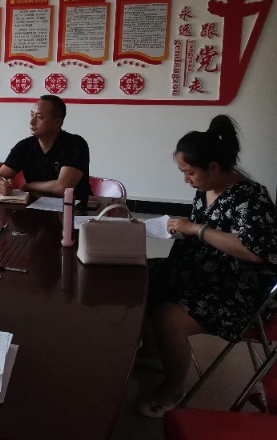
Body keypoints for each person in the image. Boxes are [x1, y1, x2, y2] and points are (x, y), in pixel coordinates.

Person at [137, 115, 277, 418]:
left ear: (213, 167)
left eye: (189, 172)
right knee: (139, 276)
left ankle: (173, 390)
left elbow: (254, 252)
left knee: (169, 318)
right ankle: (153, 352)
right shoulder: (206, 188)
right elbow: (204, 228)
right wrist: (180, 229)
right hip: (201, 271)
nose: (186, 179)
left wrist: (196, 229)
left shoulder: (251, 197)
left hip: (239, 287)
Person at [0, 95, 90, 201]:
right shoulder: (24, 146)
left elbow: (62, 187)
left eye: (39, 117)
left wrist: (29, 186)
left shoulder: (75, 144)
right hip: (34, 205)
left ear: (57, 122)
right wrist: (1, 185)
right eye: (32, 115)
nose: (32, 122)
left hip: (73, 207)